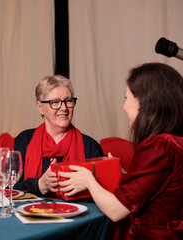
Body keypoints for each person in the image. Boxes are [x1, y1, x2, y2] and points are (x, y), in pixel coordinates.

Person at [60, 63, 183, 239]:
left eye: (126, 98)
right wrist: (125, 174)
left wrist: (88, 180)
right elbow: (159, 189)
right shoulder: (174, 141)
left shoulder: (159, 145)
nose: (124, 107)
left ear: (143, 102)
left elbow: (116, 211)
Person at [13, 75, 103, 196]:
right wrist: (39, 184)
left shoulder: (91, 146)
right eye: (55, 102)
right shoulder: (24, 140)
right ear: (40, 107)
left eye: (68, 101)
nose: (64, 108)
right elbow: (10, 187)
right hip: (31, 213)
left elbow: (102, 194)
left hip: (76, 214)